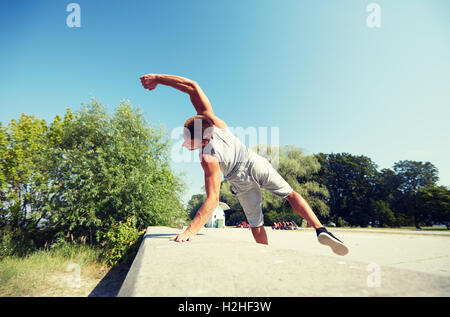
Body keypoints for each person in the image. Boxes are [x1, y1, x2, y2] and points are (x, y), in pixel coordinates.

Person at [140, 73, 349, 256]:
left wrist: (190, 230)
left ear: (203, 141)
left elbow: (213, 199)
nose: (185, 144)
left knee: (256, 225)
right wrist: (158, 78)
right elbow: (193, 86)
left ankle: (268, 258)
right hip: (254, 161)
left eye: (189, 141)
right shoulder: (213, 122)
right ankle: (321, 229)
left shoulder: (207, 157)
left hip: (239, 180)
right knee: (291, 195)